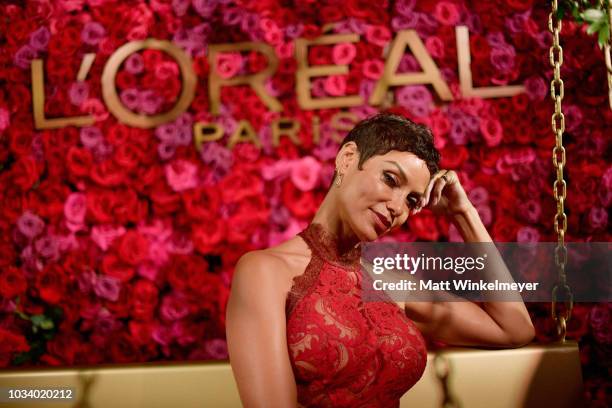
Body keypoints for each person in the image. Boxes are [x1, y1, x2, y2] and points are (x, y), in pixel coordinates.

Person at [226, 113, 535, 407]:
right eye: (390, 179)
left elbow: (512, 328)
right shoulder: (265, 272)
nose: (397, 207)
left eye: (412, 200)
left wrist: (464, 214)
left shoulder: (390, 284)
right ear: (348, 159)